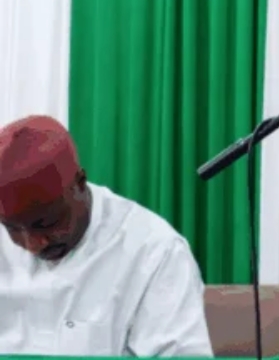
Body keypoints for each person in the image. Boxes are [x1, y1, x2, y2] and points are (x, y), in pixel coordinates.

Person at [0, 115, 214, 357]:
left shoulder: (154, 252)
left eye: (46, 224)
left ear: (80, 183)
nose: (32, 245)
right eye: (12, 228)